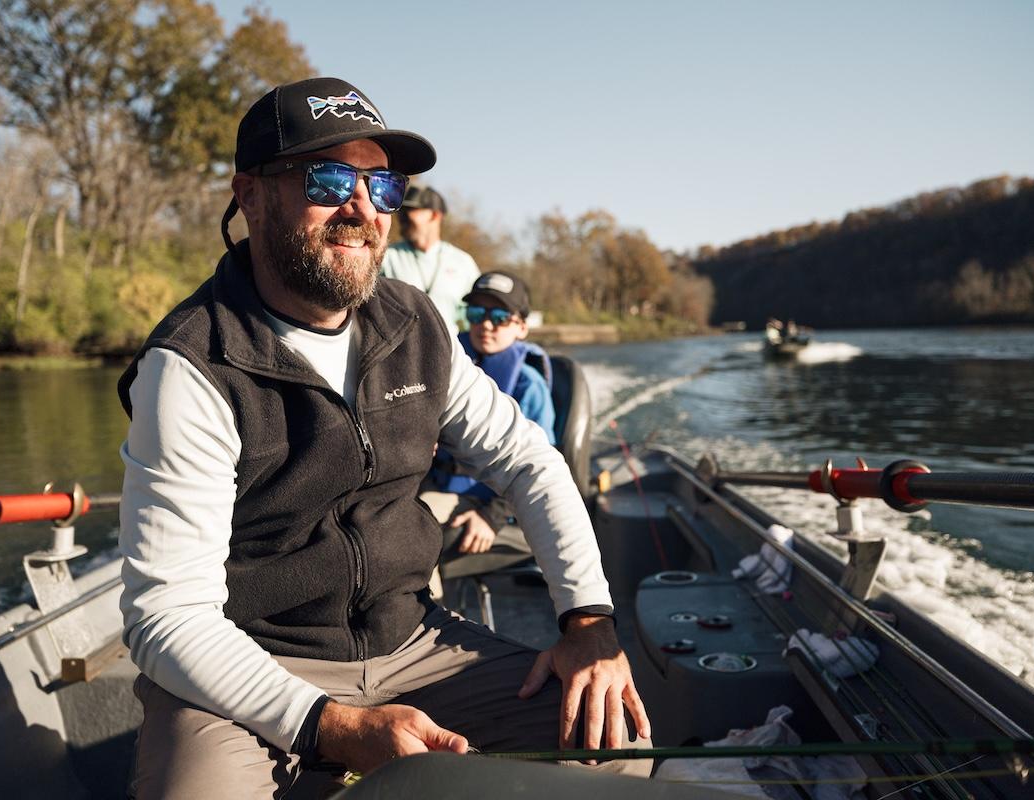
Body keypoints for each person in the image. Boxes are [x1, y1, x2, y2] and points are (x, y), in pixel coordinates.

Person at [117, 76, 651, 799]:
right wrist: (331, 725)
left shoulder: (417, 325)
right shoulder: (192, 366)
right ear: (250, 195)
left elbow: (529, 461)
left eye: (383, 184)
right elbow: (167, 618)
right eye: (330, 177)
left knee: (613, 750)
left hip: (410, 639)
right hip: (251, 659)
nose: (362, 207)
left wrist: (587, 619)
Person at [422, 271, 554, 580]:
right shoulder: (447, 363)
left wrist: (490, 516)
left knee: (414, 530)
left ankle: (424, 621)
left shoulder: (528, 386)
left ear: (521, 327)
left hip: (496, 503)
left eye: (500, 316)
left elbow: (538, 467)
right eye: (477, 313)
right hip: (437, 483)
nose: (486, 324)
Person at [380, 185, 480, 333]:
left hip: (448, 351)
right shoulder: (387, 256)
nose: (402, 218)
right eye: (402, 212)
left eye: (410, 211)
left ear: (435, 216)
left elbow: (476, 314)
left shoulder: (463, 262)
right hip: (398, 351)